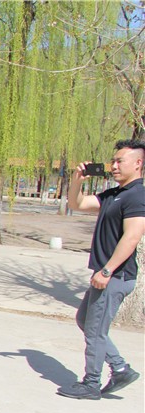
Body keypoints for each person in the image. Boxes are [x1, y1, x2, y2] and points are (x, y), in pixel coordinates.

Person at [59, 140, 145, 399]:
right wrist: (77, 180)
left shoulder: (137, 196)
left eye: (120, 161)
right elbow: (77, 204)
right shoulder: (114, 194)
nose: (114, 165)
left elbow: (131, 238)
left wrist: (106, 271)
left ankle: (91, 383)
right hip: (106, 273)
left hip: (115, 275)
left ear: (138, 163)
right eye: (113, 160)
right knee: (85, 321)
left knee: (95, 330)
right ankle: (119, 368)